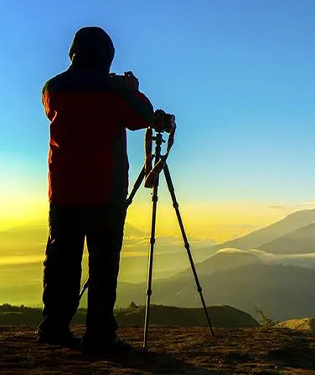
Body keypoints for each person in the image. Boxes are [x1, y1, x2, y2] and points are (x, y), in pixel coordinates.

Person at [38, 26, 154, 352]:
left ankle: (54, 328)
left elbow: (54, 113)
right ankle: (100, 335)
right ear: (107, 56)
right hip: (105, 191)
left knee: (61, 261)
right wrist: (132, 88)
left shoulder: (53, 88)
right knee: (103, 265)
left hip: (62, 190)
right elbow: (141, 116)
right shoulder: (114, 90)